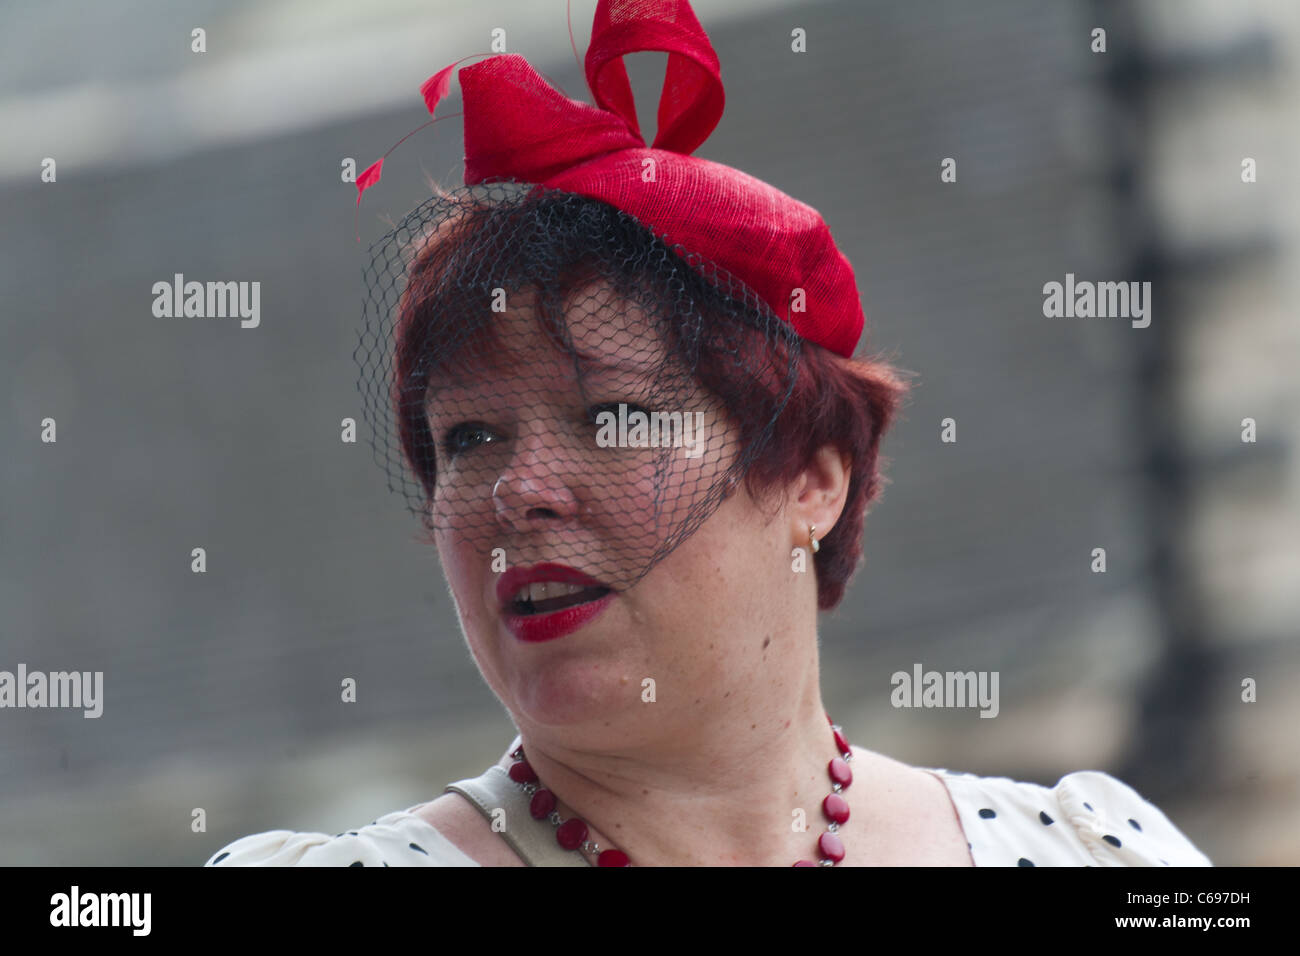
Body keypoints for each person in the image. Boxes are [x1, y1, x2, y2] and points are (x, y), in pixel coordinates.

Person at [205, 0, 1211, 867]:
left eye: (613, 416)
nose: (520, 486)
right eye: (468, 437)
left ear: (814, 480)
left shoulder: (1085, 848)